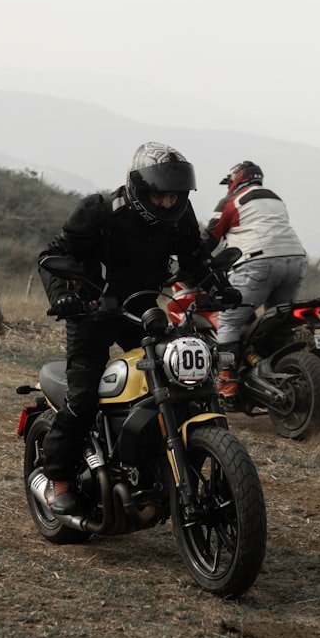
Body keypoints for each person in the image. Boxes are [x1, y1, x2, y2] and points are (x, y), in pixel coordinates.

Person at [38, 142, 225, 515]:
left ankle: (157, 463)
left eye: (174, 197)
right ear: (140, 188)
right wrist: (63, 296)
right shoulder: (100, 211)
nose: (168, 204)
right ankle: (56, 479)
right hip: (92, 309)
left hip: (141, 309)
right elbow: (53, 256)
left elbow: (195, 258)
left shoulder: (181, 216)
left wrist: (219, 285)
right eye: (160, 196)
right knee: (84, 398)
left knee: (179, 379)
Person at [203, 160, 308, 405]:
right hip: (296, 260)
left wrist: (193, 264)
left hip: (258, 262)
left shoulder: (232, 201)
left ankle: (227, 382)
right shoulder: (275, 198)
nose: (228, 187)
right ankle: (275, 371)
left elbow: (210, 237)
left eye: (229, 182)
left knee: (229, 319)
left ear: (237, 178)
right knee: (277, 320)